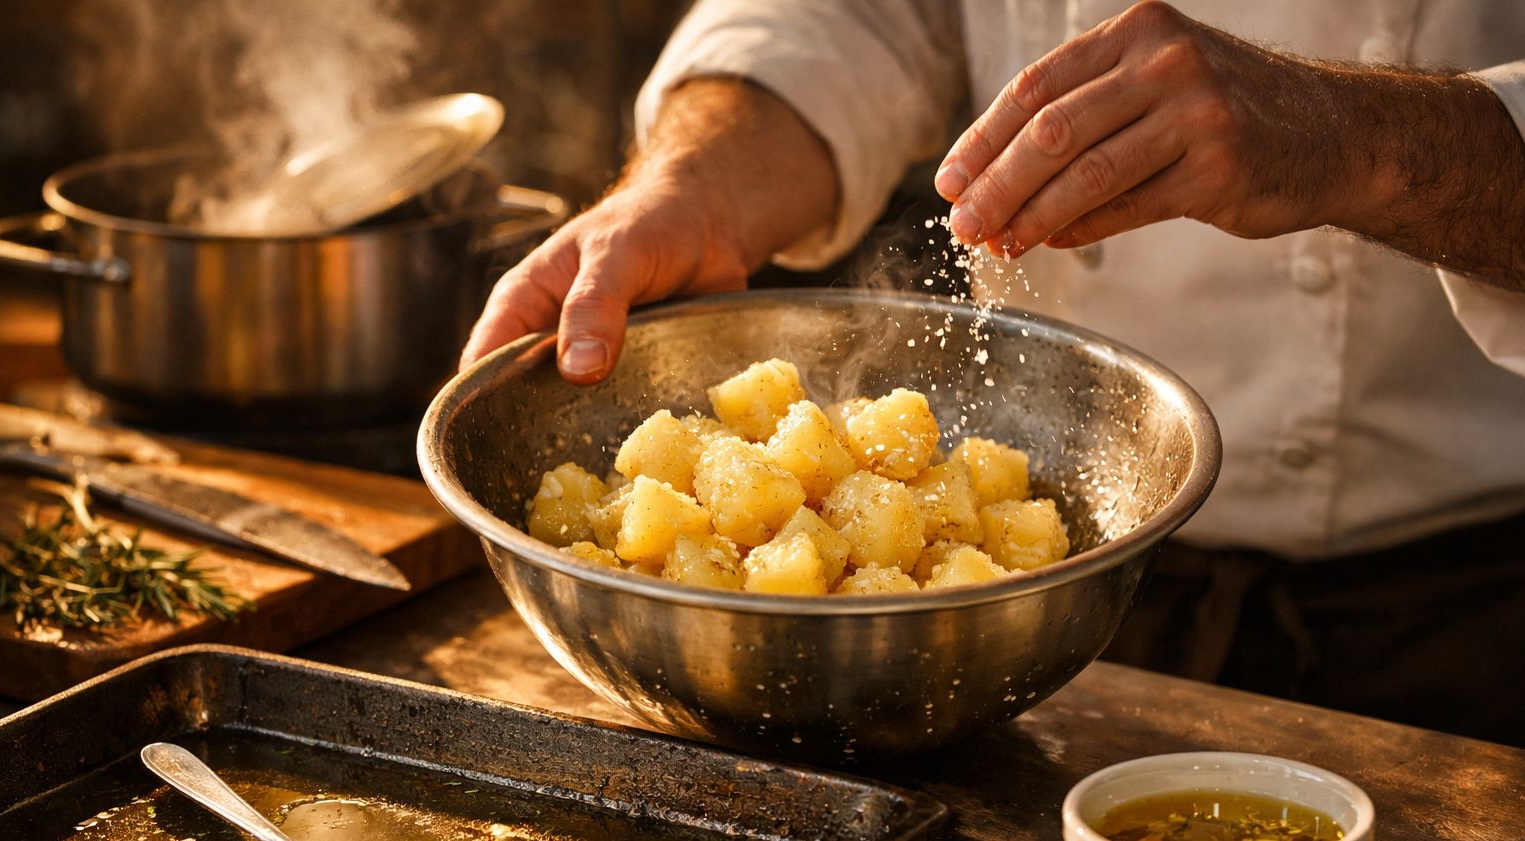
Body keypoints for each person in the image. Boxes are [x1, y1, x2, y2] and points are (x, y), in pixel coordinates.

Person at [463, 2, 1525, 745]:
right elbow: (863, 14)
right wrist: (700, 177)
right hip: (1046, 632)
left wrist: (1362, 137)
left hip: (1468, 623)